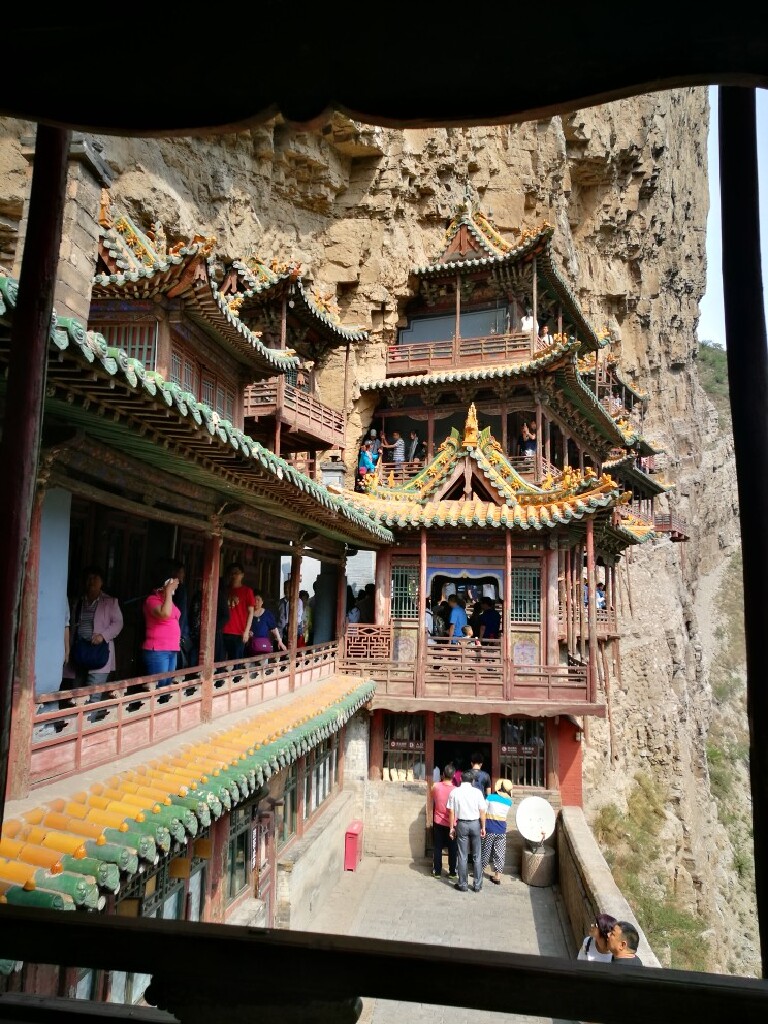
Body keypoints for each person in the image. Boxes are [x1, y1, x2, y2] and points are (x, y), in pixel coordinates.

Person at [62, 565, 123, 721]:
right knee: (77, 693)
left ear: (102, 582)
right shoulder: (78, 601)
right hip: (80, 652)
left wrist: (103, 636)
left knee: (94, 694)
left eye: (95, 578)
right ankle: (75, 725)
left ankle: (88, 725)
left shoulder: (110, 602)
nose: (91, 581)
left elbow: (118, 623)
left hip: (99, 652)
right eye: (89, 578)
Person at [141, 560, 181, 696]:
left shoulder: (168, 601)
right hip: (157, 649)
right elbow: (164, 614)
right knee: (159, 688)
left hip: (172, 648)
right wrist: (168, 591)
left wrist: (168, 594)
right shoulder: (152, 600)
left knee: (167, 688)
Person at [447, 768, 487, 892]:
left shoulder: (455, 792)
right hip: (475, 824)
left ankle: (463, 884)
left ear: (460, 779)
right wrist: (483, 827)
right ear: (472, 781)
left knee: (462, 855)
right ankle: (477, 885)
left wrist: (451, 828)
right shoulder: (477, 792)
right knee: (477, 856)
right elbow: (482, 811)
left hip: (462, 824)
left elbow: (451, 812)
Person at [222, 562, 256, 662]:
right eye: (232, 573)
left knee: (236, 663)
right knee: (221, 662)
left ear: (242, 575)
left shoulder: (247, 591)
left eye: (236, 573)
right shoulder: (224, 590)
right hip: (223, 631)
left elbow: (251, 612)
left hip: (238, 633)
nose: (234, 576)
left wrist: (246, 631)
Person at [482, 777, 514, 885]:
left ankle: (480, 871)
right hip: (501, 830)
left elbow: (483, 812)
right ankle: (497, 876)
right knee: (499, 853)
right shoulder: (509, 802)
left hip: (489, 828)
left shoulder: (490, 797)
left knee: (485, 851)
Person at [431, 764, 458, 880]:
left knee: (437, 846)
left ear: (442, 774)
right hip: (453, 823)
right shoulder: (456, 790)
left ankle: (437, 871)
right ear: (453, 776)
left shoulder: (435, 786)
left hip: (438, 821)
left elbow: (432, 798)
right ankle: (452, 872)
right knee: (453, 848)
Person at [277, 579, 303, 646]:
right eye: (285, 588)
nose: (286, 590)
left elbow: (297, 618)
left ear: (293, 588)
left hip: (293, 630)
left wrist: (289, 627)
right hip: (281, 631)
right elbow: (278, 617)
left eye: (288, 588)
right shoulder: (280, 602)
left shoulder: (298, 601)